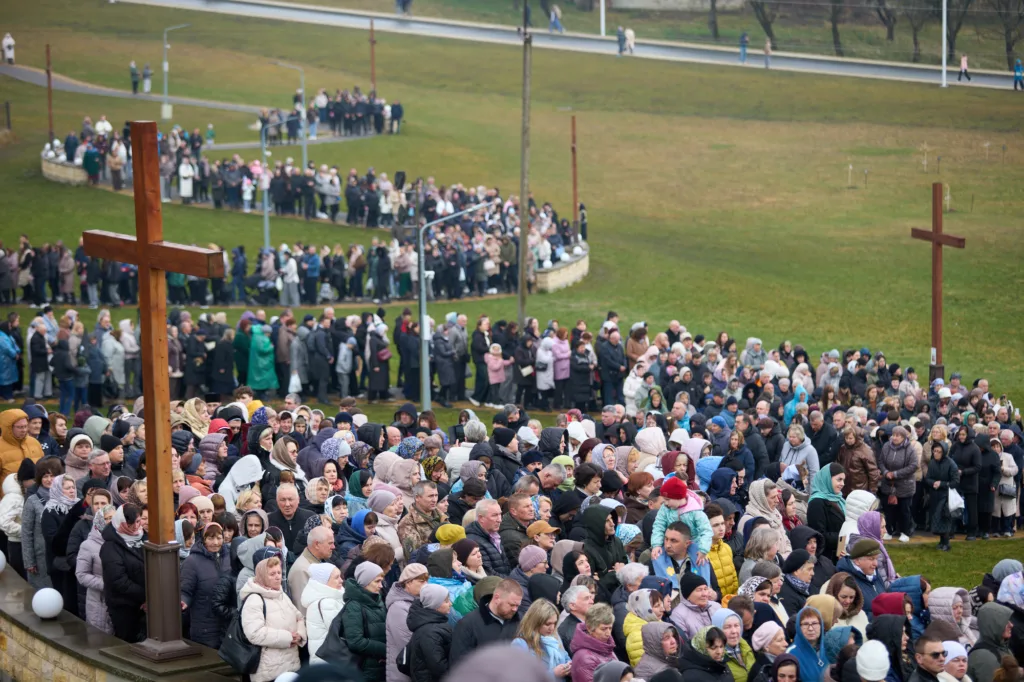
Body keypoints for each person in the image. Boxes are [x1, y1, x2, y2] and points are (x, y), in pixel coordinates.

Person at [240, 554, 306, 682]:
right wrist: (288, 637)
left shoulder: (281, 595)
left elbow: (299, 617)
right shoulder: (255, 599)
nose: (277, 577)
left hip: (290, 664)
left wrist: (299, 634)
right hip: (268, 670)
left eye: (279, 572)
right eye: (272, 574)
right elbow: (254, 633)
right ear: (262, 576)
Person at [100, 504, 147, 643]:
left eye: (138, 521)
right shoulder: (110, 547)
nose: (136, 526)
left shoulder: (143, 538)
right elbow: (118, 581)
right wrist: (145, 595)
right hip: (124, 607)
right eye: (131, 523)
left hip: (144, 605)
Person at [450, 578, 523, 664]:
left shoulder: (519, 621)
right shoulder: (468, 624)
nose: (515, 609)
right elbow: (458, 664)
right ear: (496, 598)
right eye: (511, 604)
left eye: (517, 605)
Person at [181, 522, 228, 648]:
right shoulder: (192, 562)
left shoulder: (229, 557)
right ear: (204, 539)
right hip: (204, 624)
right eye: (211, 538)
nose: (215, 542)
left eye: (219, 538)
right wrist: (183, 600)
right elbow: (185, 590)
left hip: (226, 620)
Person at [342, 561, 388, 681]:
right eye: (377, 581)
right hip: (365, 669)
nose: (381, 586)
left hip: (380, 665)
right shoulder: (354, 605)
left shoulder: (377, 599)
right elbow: (355, 641)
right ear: (365, 582)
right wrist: (385, 650)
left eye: (381, 581)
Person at [385, 562, 430, 682]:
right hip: (402, 673)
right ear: (408, 582)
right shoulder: (398, 608)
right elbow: (406, 642)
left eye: (427, 580)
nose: (426, 585)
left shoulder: (420, 602)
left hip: (416, 670)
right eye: (421, 581)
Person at [513, 598, 573, 679]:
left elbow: (566, 657)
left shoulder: (554, 637)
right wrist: (553, 674)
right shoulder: (520, 643)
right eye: (548, 624)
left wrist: (570, 666)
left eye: (555, 623)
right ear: (535, 622)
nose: (552, 628)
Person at [407, 583, 455, 682]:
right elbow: (439, 667)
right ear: (435, 605)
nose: (450, 603)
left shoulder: (433, 625)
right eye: (446, 601)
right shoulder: (430, 633)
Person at [301, 563, 346, 665]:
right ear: (324, 582)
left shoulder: (332, 597)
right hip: (328, 660)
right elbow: (342, 630)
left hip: (325, 658)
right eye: (336, 578)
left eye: (340, 576)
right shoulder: (326, 603)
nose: (341, 580)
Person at [571, 602, 617, 682]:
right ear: (589, 628)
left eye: (610, 628)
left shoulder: (606, 647)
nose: (608, 633)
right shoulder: (584, 658)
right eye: (603, 629)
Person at [967, 602, 1013, 682]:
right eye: (1005, 622)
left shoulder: (1002, 647)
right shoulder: (984, 656)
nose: (1011, 625)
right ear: (993, 624)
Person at [925, 442, 959, 551]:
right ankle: (941, 541)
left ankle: (946, 543)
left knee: (944, 518)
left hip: (946, 495)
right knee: (937, 519)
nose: (936, 453)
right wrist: (933, 483)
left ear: (944, 452)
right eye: (934, 451)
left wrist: (942, 484)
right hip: (935, 494)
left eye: (939, 452)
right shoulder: (932, 463)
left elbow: (955, 481)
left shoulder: (951, 463)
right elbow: (928, 478)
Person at [786, 606, 827, 682]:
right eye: (805, 624)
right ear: (798, 627)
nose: (810, 629)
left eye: (814, 623)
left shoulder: (830, 649)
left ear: (821, 626)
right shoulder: (791, 653)